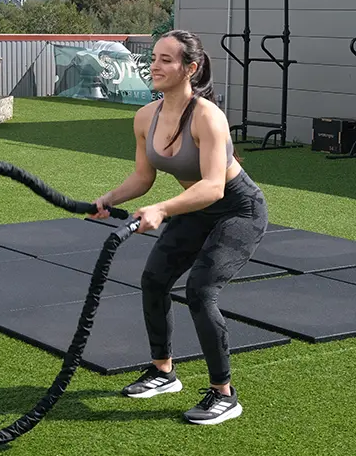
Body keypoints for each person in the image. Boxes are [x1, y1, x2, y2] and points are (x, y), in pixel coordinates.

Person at [89, 29, 268, 425]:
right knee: (154, 279)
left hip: (237, 209)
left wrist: (163, 210)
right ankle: (163, 371)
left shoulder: (208, 117)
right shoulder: (145, 117)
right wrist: (109, 199)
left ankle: (224, 394)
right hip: (195, 207)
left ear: (191, 68)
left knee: (200, 291)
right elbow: (142, 177)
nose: (155, 65)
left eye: (166, 59)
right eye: (153, 57)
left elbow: (213, 186)